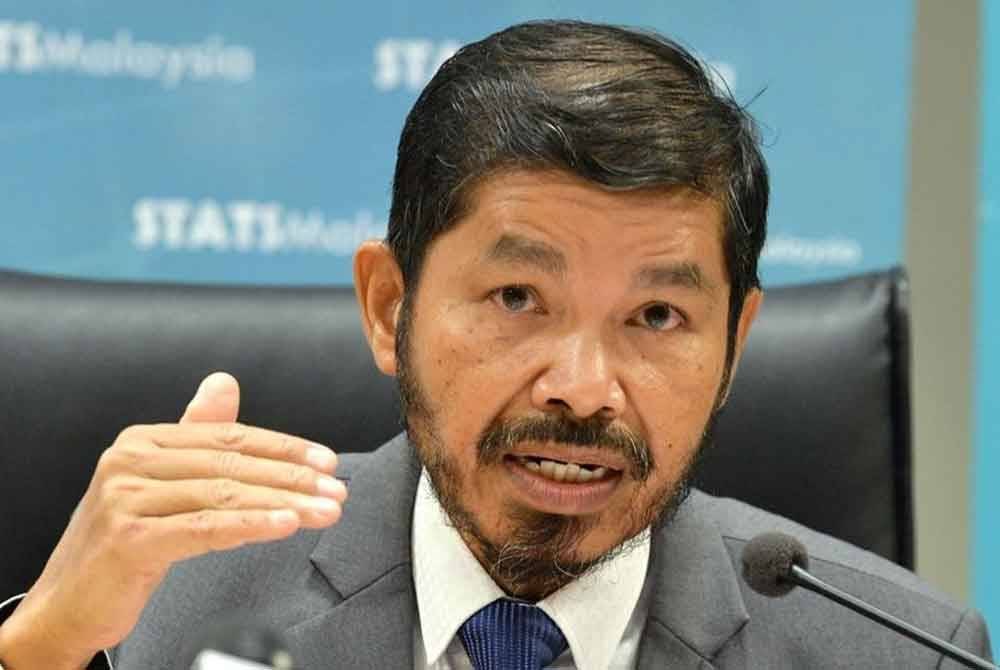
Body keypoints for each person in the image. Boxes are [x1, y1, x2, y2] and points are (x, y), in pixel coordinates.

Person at [0, 19, 991, 670]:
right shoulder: (166, 606)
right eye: (518, 297)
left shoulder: (901, 652)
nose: (583, 388)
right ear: (388, 306)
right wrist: (41, 646)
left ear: (734, 344)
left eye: (656, 316)